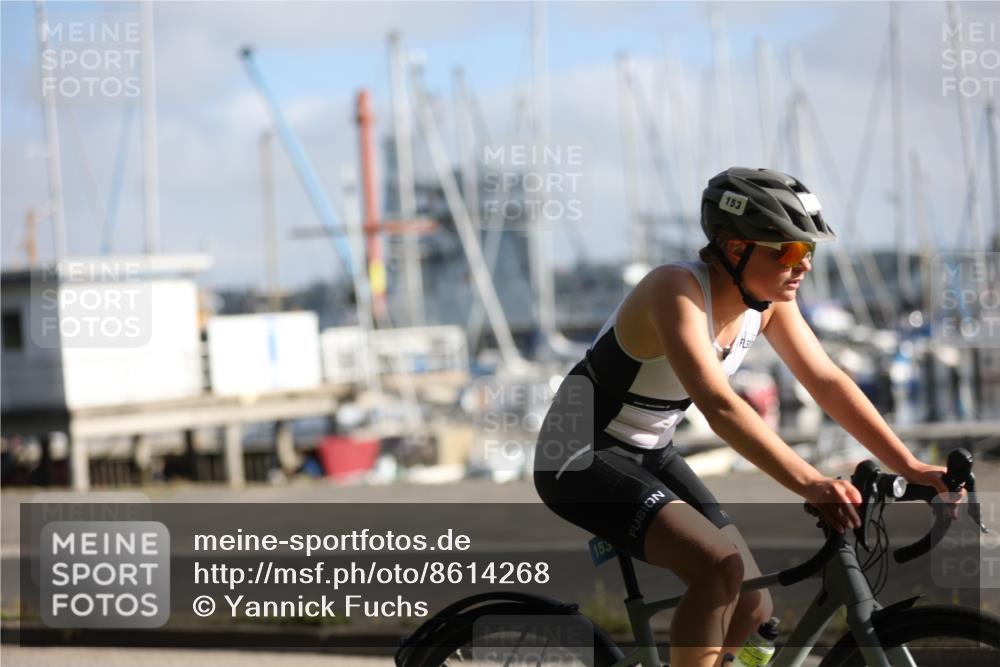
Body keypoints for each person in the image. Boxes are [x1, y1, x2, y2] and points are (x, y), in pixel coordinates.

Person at [533, 167, 963, 667]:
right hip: (580, 455)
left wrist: (911, 465)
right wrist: (811, 483)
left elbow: (827, 381)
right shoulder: (675, 291)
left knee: (755, 607)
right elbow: (720, 406)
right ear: (736, 249)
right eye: (788, 251)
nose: (801, 265)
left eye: (809, 251)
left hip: (650, 451)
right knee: (717, 569)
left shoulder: (769, 304)